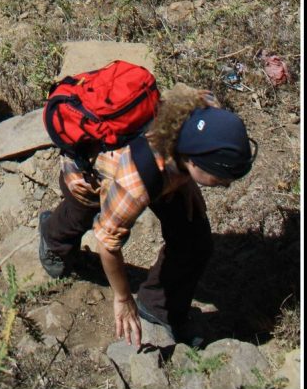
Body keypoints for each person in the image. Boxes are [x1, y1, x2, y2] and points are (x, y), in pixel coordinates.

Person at [38, 85, 257, 347]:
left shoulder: (205, 108)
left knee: (194, 237)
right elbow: (107, 243)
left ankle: (159, 306)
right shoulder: (136, 182)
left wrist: (185, 182)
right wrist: (122, 298)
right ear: (193, 161)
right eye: (221, 178)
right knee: (81, 212)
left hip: (163, 168)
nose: (227, 184)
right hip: (90, 171)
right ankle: (53, 241)